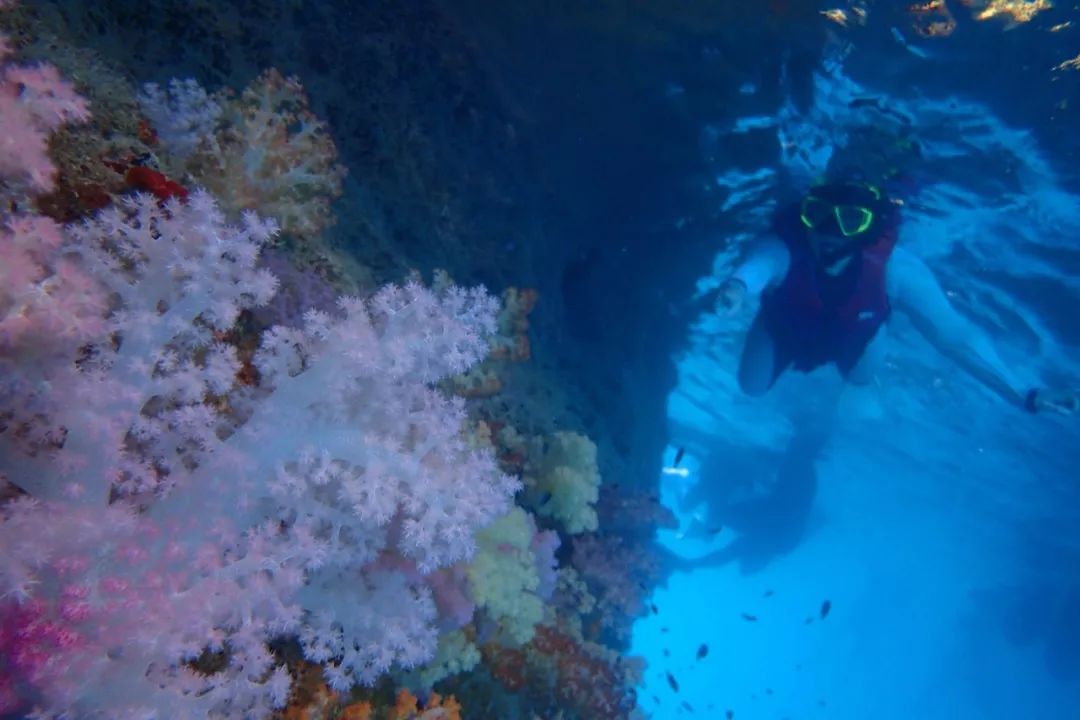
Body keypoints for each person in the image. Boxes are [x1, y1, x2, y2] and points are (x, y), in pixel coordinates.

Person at [716, 178, 1077, 414]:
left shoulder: (897, 270)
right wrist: (737, 288)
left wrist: (1024, 394)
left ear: (868, 229)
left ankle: (874, 341)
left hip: (857, 336)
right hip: (784, 328)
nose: (829, 231)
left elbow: (953, 336)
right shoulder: (784, 249)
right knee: (751, 387)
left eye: (849, 221)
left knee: (859, 381)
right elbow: (759, 264)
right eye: (818, 216)